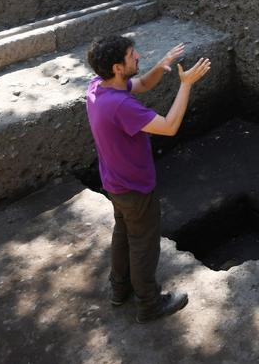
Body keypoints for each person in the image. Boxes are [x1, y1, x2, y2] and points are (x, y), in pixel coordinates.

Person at [84, 35, 212, 323]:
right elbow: (169, 126)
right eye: (132, 55)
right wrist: (186, 84)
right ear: (118, 67)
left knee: (124, 234)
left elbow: (140, 85)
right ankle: (149, 304)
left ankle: (119, 289)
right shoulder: (120, 106)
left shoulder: (97, 88)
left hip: (114, 182)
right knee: (143, 244)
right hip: (134, 187)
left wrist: (160, 65)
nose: (139, 56)